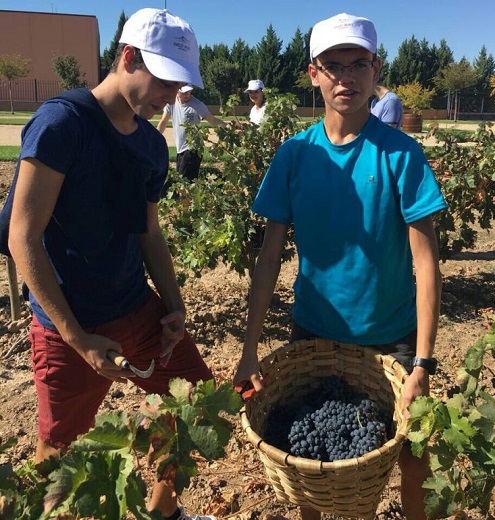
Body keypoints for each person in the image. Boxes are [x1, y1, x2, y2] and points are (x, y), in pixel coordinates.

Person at [234, 11, 446, 520]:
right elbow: (268, 261)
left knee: (415, 454)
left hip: (391, 337)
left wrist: (423, 363)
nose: (345, 77)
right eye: (333, 65)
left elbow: (426, 265)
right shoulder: (294, 155)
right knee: (314, 465)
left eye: (357, 64)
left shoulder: (402, 156)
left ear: (376, 69)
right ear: (313, 73)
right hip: (314, 335)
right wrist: (247, 350)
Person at [8, 8, 215, 520]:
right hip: (67, 323)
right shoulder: (62, 125)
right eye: (165, 81)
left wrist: (174, 307)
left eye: (179, 84)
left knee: (192, 411)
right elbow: (23, 236)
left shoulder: (149, 144)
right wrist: (76, 338)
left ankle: (161, 513)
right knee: (57, 457)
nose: (171, 96)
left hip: (135, 309)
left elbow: (149, 233)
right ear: (128, 57)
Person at [157, 84, 224, 182]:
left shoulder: (197, 104)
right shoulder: (171, 103)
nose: (187, 94)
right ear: (176, 90)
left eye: (188, 91)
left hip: (193, 149)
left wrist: (230, 126)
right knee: (183, 183)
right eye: (183, 92)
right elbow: (163, 122)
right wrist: (154, 138)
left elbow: (213, 120)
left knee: (184, 183)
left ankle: (184, 197)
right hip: (181, 149)